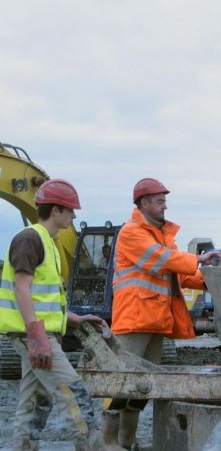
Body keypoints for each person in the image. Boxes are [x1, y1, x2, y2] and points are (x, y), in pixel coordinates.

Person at [102, 178, 221, 451]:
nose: (164, 205)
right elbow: (161, 261)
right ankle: (106, 441)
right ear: (144, 203)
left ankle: (127, 440)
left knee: (145, 384)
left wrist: (213, 280)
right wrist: (198, 259)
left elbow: (179, 272)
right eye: (160, 201)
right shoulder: (132, 232)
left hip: (155, 319)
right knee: (121, 380)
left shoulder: (161, 235)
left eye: (164, 201)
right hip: (134, 319)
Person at [0, 178, 110, 451]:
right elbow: (22, 289)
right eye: (71, 210)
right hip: (33, 335)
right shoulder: (29, 239)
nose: (73, 216)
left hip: (37, 333)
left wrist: (74, 318)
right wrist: (37, 337)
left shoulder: (48, 242)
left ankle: (23, 447)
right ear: (57, 210)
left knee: (36, 400)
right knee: (75, 393)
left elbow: (42, 299)